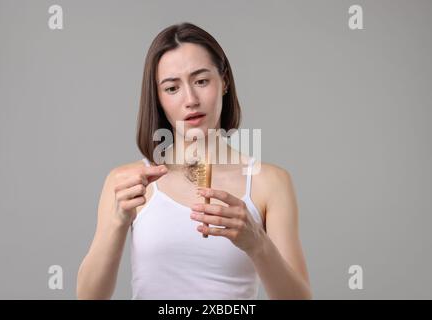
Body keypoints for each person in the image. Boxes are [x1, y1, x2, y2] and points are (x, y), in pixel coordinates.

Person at [77, 22, 312, 300]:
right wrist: (117, 223)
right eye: (172, 88)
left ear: (224, 81)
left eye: (201, 81)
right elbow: (89, 297)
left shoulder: (269, 182)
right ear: (159, 98)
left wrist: (257, 244)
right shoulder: (126, 183)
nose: (190, 99)